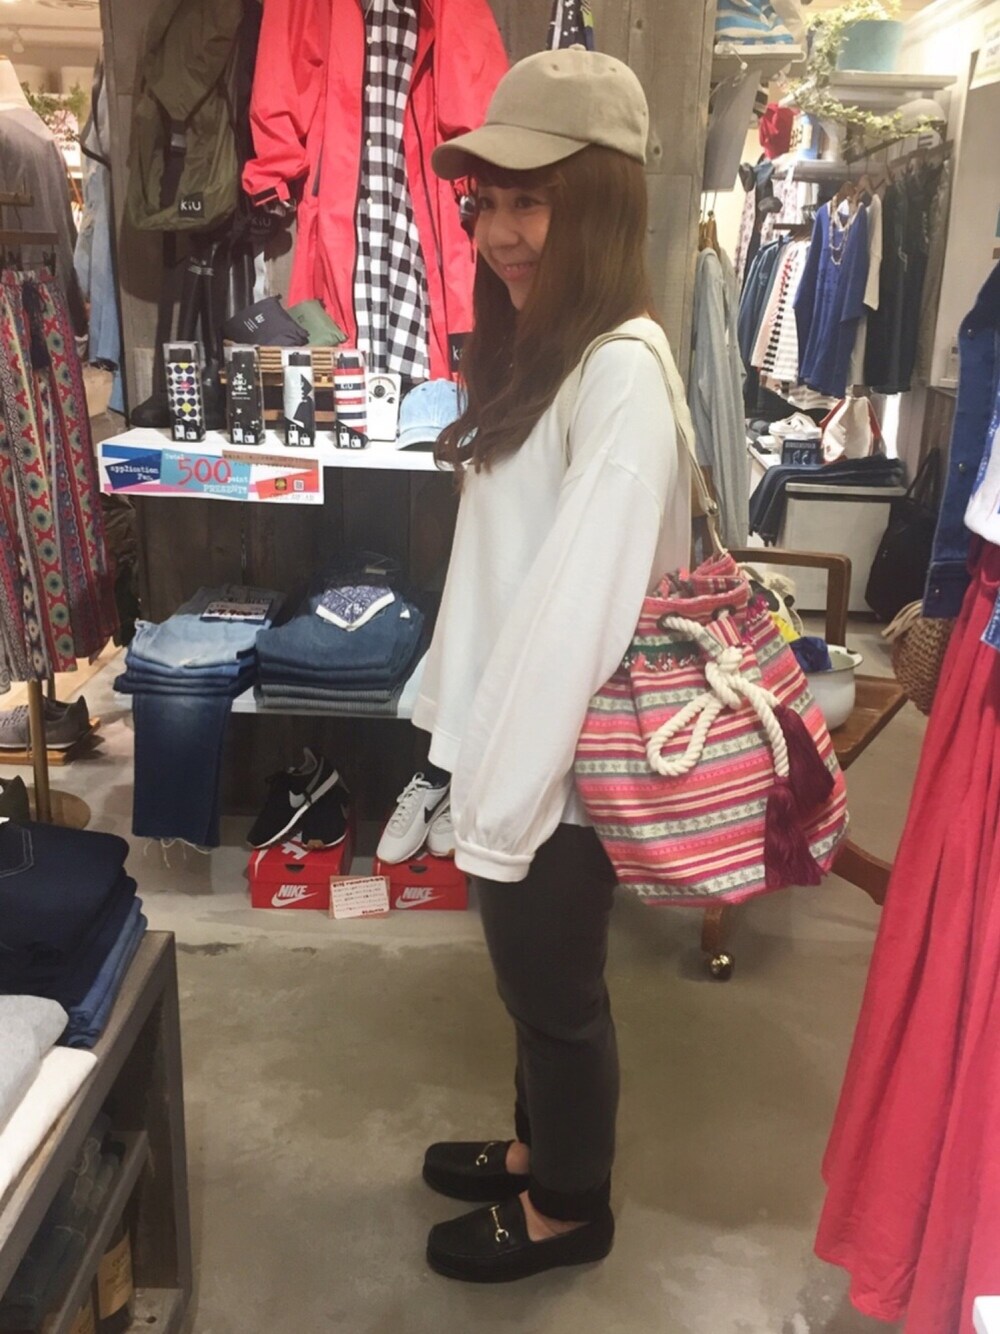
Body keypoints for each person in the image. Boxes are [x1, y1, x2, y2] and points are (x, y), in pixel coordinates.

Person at [411, 47, 691, 1283]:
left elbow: (579, 613)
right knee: (535, 989)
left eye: (535, 201)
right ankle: (538, 1152)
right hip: (515, 747)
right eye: (489, 202)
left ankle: (570, 1205)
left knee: (558, 996)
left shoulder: (618, 368)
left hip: (556, 768)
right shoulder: (555, 348)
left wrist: (505, 798)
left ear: (606, 203)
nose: (501, 233)